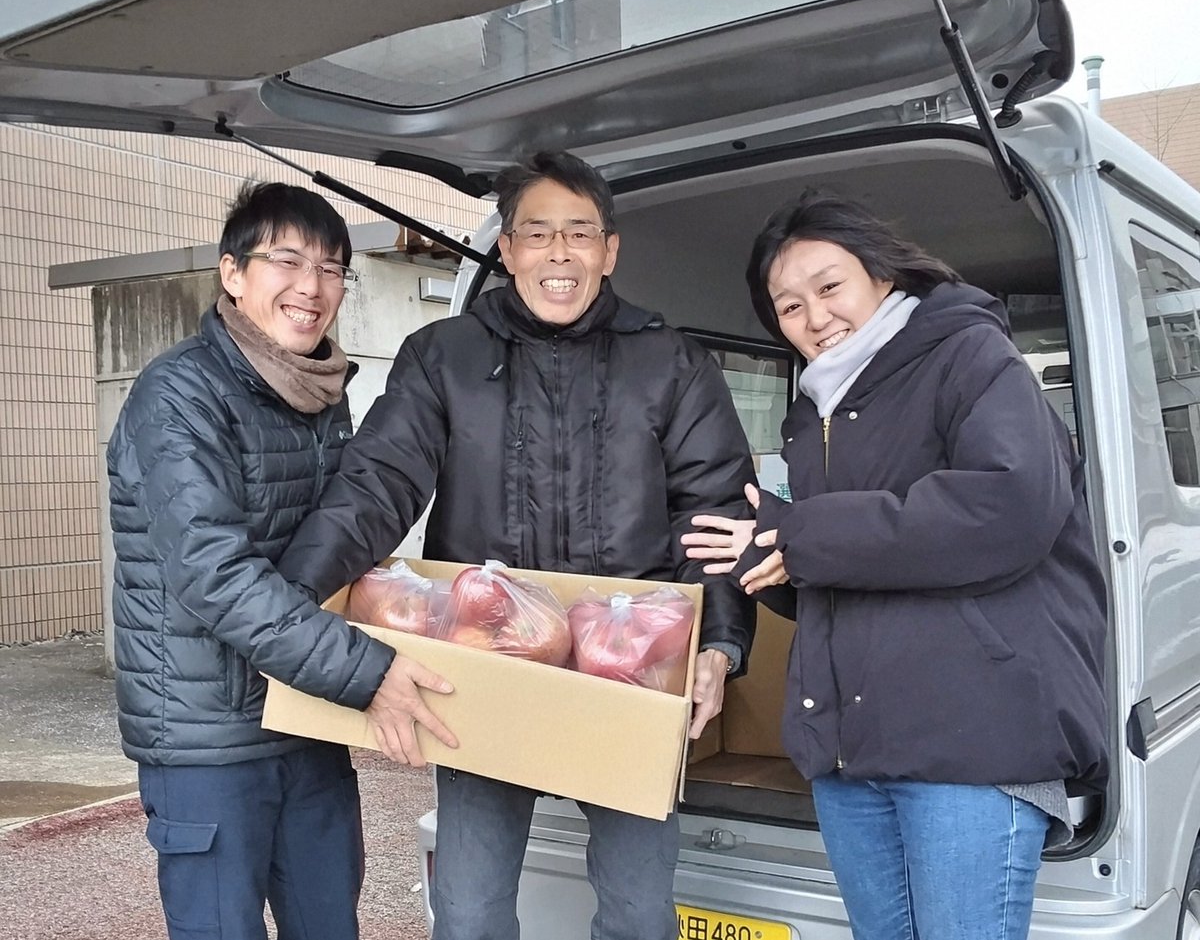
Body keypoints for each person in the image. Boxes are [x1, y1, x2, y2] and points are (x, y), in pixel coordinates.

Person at [275, 150, 756, 940]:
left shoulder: (671, 362)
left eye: (578, 233)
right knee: (467, 912)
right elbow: (377, 487)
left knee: (640, 913)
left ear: (610, 249)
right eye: (536, 233)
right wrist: (292, 604)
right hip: (485, 661)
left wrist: (723, 641)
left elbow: (712, 511)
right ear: (506, 249)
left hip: (629, 671)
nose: (557, 253)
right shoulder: (445, 356)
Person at [682, 189, 1108, 940]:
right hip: (852, 753)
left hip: (971, 743)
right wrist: (771, 555)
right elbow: (847, 567)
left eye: (829, 286)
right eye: (787, 306)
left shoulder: (970, 356)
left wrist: (804, 536)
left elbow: (1008, 507)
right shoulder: (814, 409)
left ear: (881, 272)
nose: (814, 318)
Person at [107, 181, 456, 940]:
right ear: (233, 272)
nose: (312, 287)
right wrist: (370, 670)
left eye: (332, 267)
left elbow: (336, 539)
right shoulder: (177, 397)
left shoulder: (319, 392)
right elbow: (215, 575)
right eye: (287, 260)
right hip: (211, 739)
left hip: (306, 719)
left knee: (330, 923)